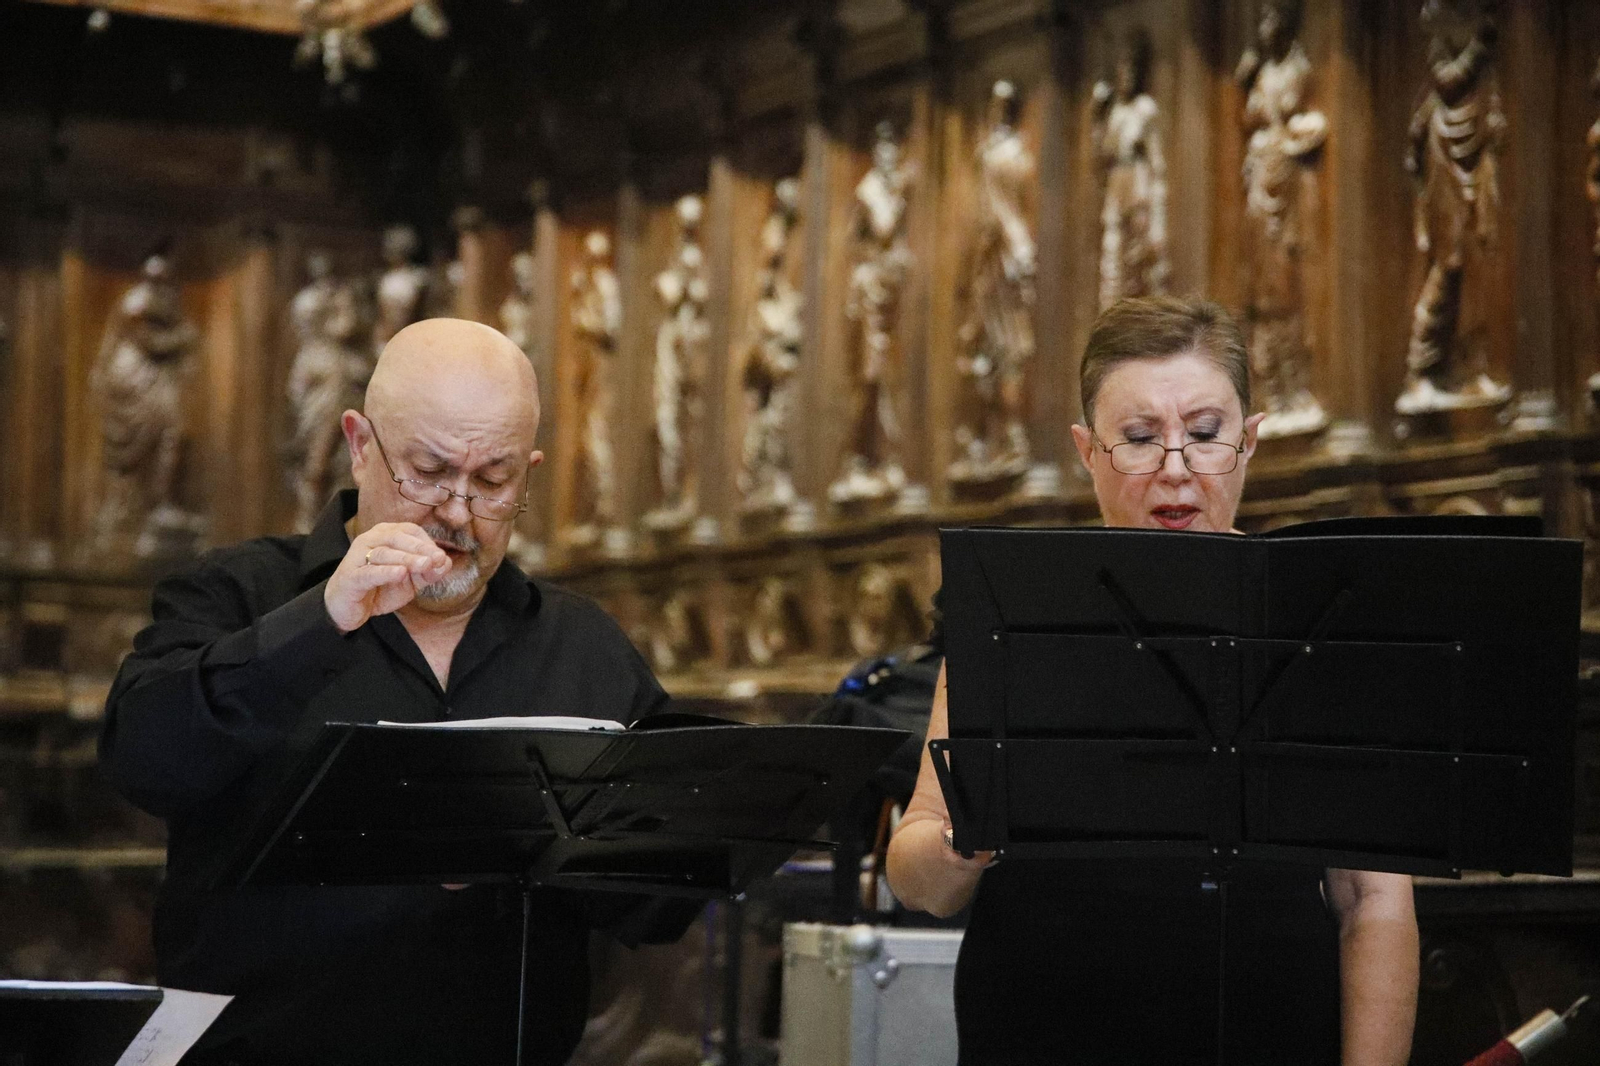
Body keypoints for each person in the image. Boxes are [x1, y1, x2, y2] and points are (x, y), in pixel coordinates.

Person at [100, 318, 671, 1066]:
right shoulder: (239, 592)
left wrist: (552, 847)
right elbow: (142, 759)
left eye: (494, 480)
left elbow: (662, 901)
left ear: (528, 472)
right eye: (429, 472)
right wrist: (320, 621)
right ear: (361, 445)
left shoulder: (581, 645)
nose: (458, 512)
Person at [885, 296, 1419, 1065]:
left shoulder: (1325, 623)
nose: (1176, 469)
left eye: (1205, 436)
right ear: (1086, 451)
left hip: (1269, 1026)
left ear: (1251, 440)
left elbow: (1374, 903)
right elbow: (917, 879)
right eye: (1138, 439)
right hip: (1042, 1028)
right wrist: (959, 844)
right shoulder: (1014, 610)